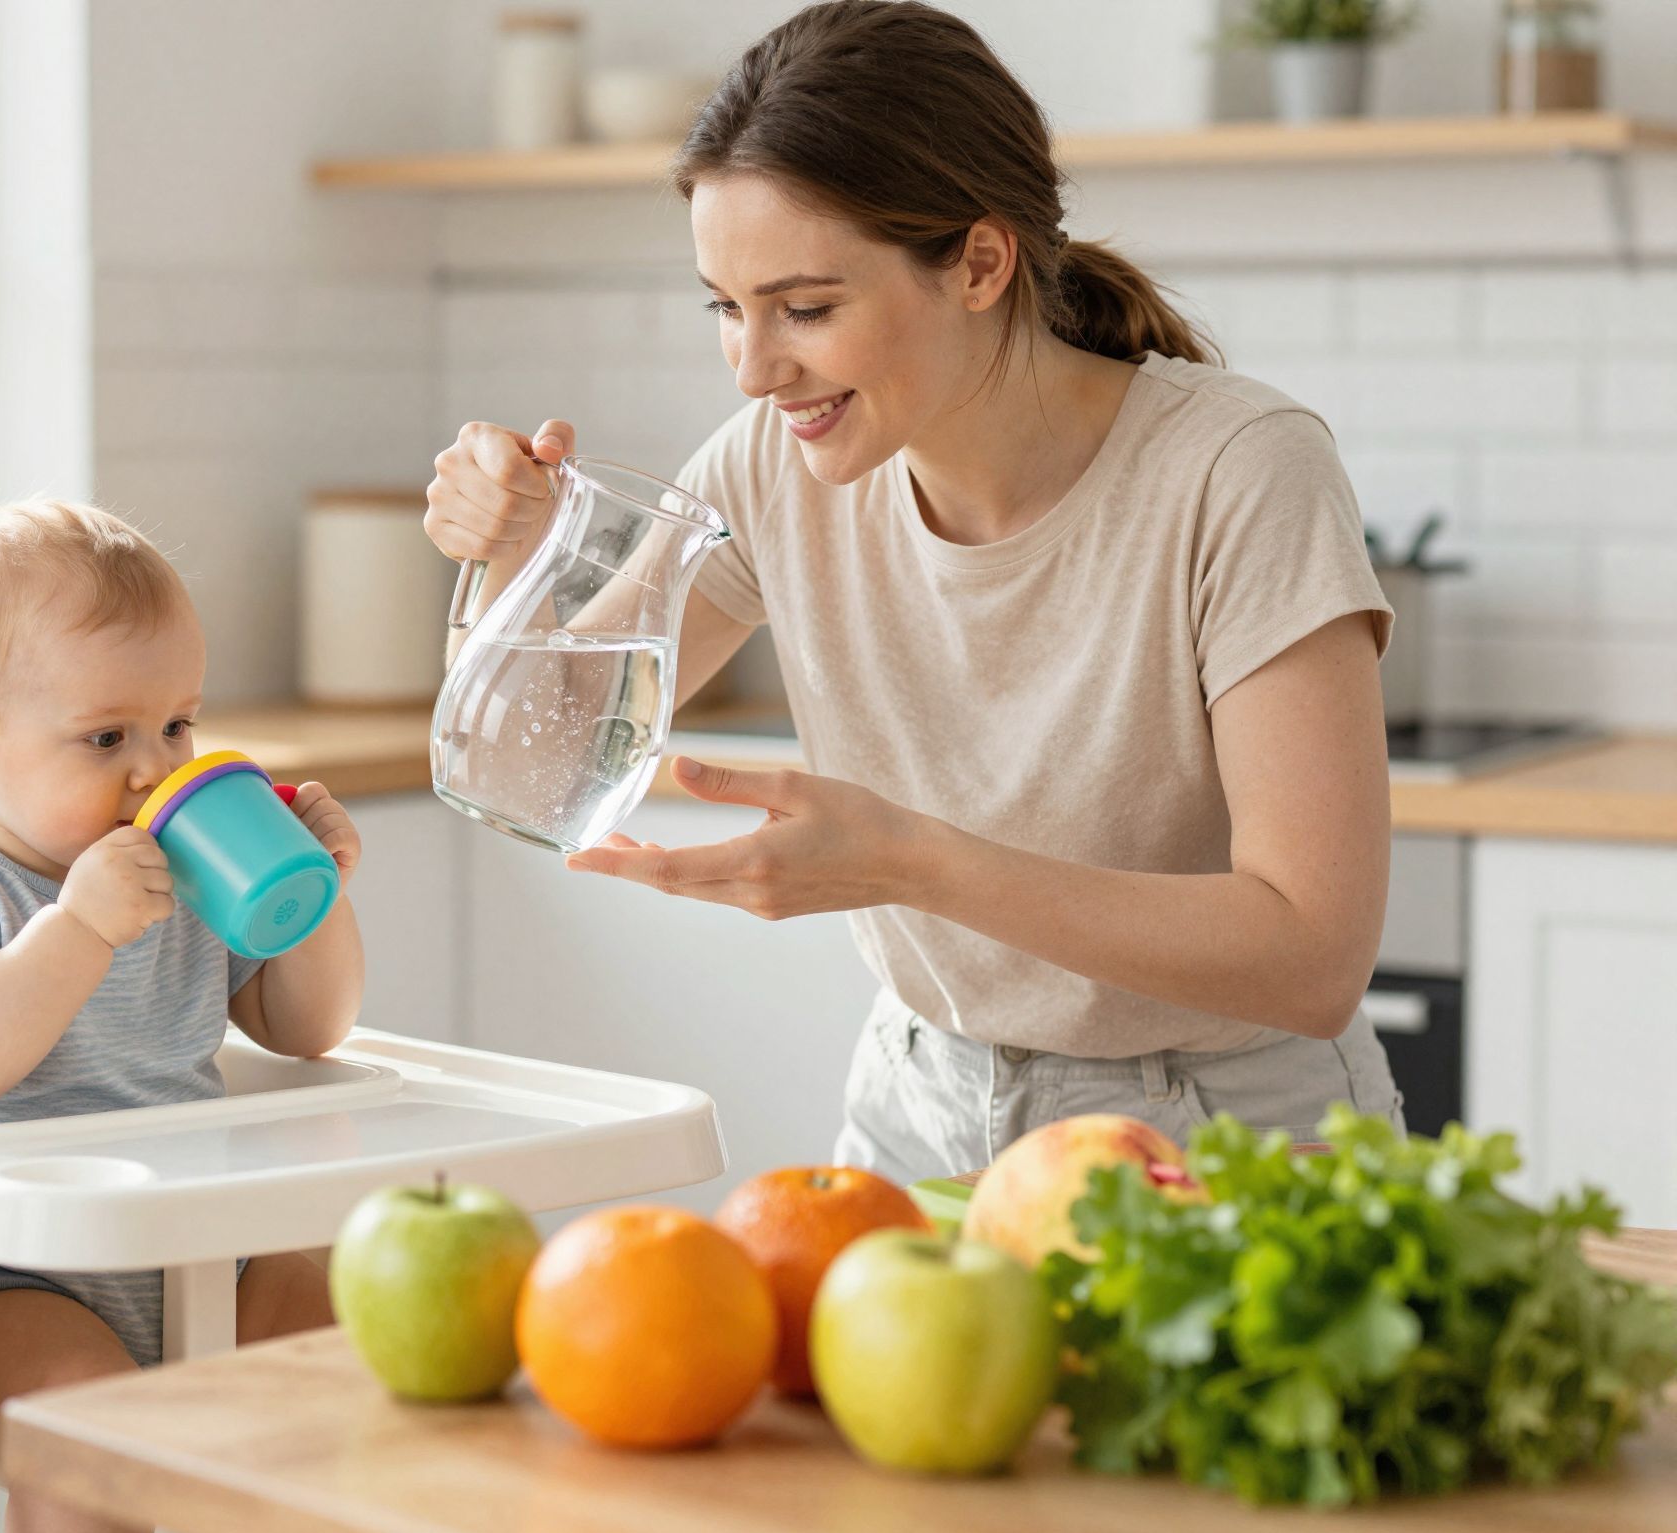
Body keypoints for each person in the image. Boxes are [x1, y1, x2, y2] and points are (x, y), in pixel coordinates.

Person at [423, 0, 1403, 1187]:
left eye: (805, 308)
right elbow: (535, 767)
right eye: (726, 306)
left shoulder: (1236, 469)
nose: (751, 368)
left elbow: (1310, 957)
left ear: (979, 263)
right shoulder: (767, 470)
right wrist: (518, 554)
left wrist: (909, 864)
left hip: (1218, 1132)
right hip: (921, 1103)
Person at [0, 500, 363, 1533]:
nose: (155, 769)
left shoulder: (184, 872)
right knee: (94, 1458)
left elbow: (307, 1029)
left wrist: (312, 893)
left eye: (177, 725)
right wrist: (76, 928)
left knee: (354, 1394)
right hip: (8, 1273)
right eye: (105, 737)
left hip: (206, 1245)